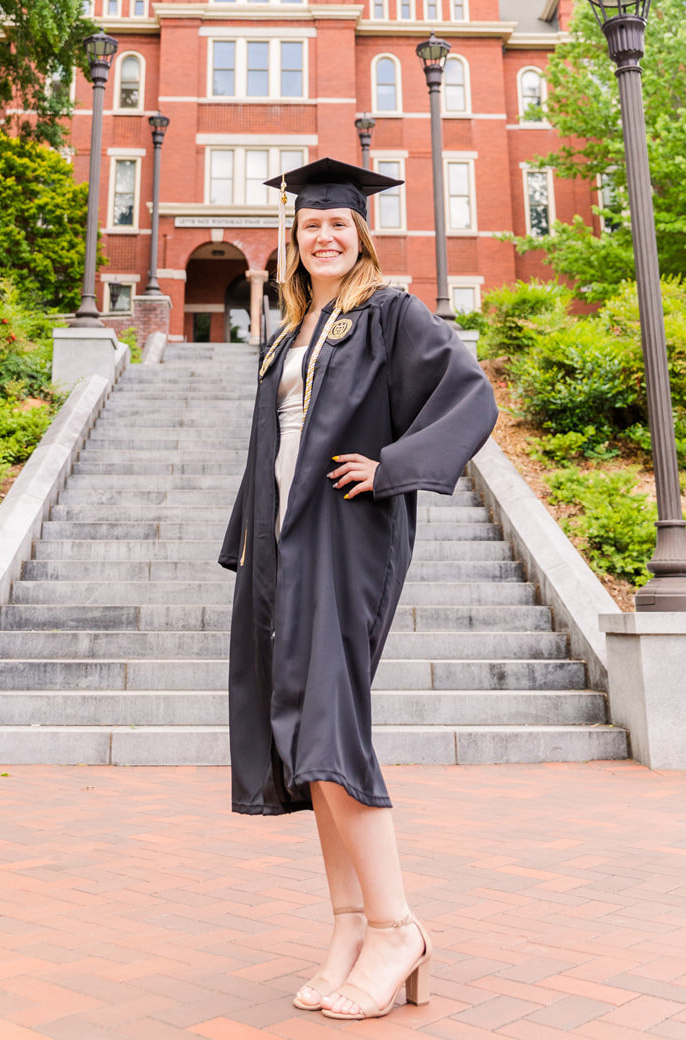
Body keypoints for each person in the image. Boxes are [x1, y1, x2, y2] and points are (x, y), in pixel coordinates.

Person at [218, 157, 498, 1021]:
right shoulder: (290, 329)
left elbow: (469, 396)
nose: (323, 235)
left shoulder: (389, 313)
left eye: (337, 225)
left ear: (360, 232)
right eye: (309, 227)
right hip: (282, 548)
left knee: (331, 730)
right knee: (303, 737)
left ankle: (396, 927)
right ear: (293, 241)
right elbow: (270, 447)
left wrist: (391, 469)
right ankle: (346, 927)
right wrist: (248, 547)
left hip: (344, 537)